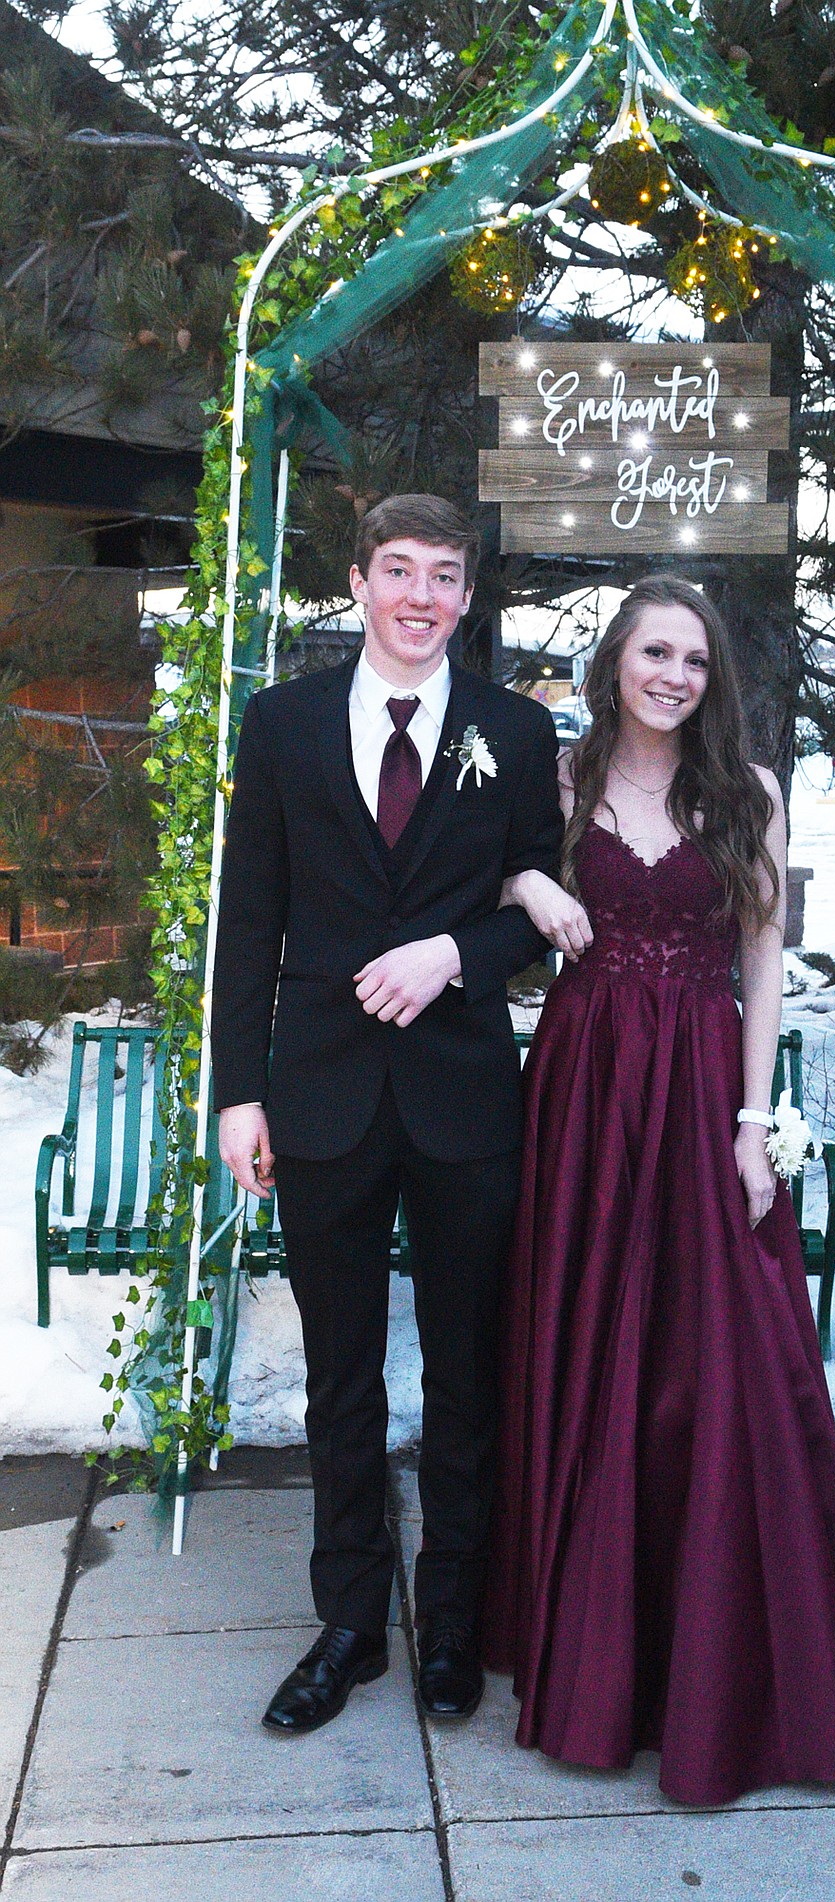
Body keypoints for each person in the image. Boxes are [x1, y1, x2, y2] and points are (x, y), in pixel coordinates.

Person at [483, 575, 835, 1806]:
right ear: (616, 660)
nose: (674, 674)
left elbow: (763, 966)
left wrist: (754, 1123)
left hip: (703, 1078)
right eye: (654, 652)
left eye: (696, 660)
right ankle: (592, 1640)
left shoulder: (749, 794)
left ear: (714, 679)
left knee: (716, 1358)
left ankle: (720, 1660)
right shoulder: (558, 780)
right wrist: (527, 884)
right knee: (587, 1344)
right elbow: (490, 876)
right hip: (585, 1083)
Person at [211, 494, 562, 1734]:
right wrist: (237, 1091)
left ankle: (452, 1617)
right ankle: (353, 1619)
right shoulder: (285, 722)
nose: (421, 595)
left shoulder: (518, 732)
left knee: (468, 1370)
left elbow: (540, 907)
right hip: (320, 1094)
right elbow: (248, 916)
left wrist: (453, 956)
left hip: (464, 1098)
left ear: (468, 598)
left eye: (445, 576)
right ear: (358, 583)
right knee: (339, 1377)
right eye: (398, 571)